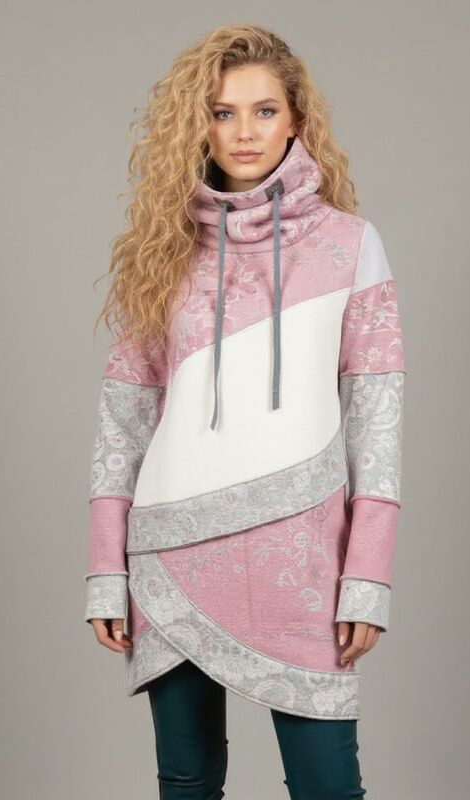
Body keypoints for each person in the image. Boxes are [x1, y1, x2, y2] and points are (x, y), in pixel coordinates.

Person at [83, 22, 406, 800]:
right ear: (199, 125)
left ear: (296, 119)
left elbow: (378, 423)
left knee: (328, 788)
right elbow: (122, 424)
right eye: (222, 113)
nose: (244, 132)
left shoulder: (351, 246)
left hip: (305, 556)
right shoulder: (164, 251)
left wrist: (367, 574)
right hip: (172, 554)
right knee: (188, 784)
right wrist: (104, 569)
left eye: (264, 111)